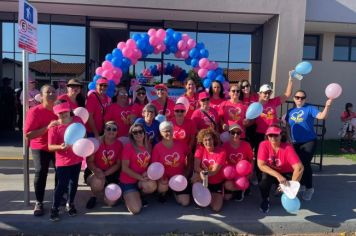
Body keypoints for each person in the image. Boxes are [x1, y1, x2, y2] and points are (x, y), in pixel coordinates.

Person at [286, 90, 332, 201]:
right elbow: (287, 126)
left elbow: (322, 116)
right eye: (297, 97)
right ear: (294, 98)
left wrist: (327, 106)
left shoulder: (309, 108)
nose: (299, 99)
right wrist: (289, 139)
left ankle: (309, 188)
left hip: (309, 141)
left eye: (302, 98)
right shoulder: (290, 111)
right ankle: (301, 184)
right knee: (296, 165)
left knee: (304, 164)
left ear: (305, 99)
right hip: (295, 142)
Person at [24, 84, 58, 216]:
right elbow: (28, 134)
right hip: (40, 146)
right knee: (40, 172)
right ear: (41, 96)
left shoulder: (59, 110)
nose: (51, 94)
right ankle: (39, 202)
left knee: (61, 172)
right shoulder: (34, 111)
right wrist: (47, 128)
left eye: (53, 91)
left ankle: (58, 197)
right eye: (47, 92)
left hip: (56, 145)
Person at [253, 72, 294, 180]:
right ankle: (260, 177)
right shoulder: (255, 106)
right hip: (260, 134)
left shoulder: (273, 101)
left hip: (273, 135)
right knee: (260, 157)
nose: (267, 95)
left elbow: (287, 94)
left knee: (275, 156)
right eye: (265, 93)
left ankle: (276, 177)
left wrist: (290, 79)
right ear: (260, 93)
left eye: (269, 92)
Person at [48, 100, 83, 221]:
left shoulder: (77, 120)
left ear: (69, 110)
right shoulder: (54, 127)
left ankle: (70, 203)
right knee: (62, 185)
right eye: (60, 112)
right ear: (56, 114)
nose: (63, 114)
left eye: (65, 111)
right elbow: (50, 146)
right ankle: (55, 208)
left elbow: (82, 134)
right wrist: (60, 147)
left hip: (77, 159)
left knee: (74, 183)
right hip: (62, 161)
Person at [257, 125, 304, 213]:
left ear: (281, 135)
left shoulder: (287, 148)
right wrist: (278, 176)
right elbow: (261, 165)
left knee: (292, 184)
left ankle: (281, 190)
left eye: (276, 135)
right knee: (264, 179)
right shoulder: (263, 144)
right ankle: (265, 199)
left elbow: (300, 168)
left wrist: (291, 188)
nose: (273, 137)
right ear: (267, 136)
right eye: (270, 135)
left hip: (286, 173)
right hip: (272, 172)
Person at [120, 123, 157, 214]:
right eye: (135, 132)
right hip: (128, 181)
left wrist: (147, 173)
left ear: (144, 133)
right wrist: (140, 177)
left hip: (142, 179)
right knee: (136, 210)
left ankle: (139, 195)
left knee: (152, 186)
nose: (138, 134)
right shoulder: (128, 147)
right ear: (131, 135)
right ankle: (126, 196)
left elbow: (149, 163)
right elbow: (124, 168)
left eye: (140, 131)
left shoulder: (148, 145)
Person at [85, 121, 123, 209]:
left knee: (111, 203)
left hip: (111, 172)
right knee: (97, 182)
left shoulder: (119, 144)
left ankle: (104, 190)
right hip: (95, 170)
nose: (111, 131)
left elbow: (118, 164)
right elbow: (90, 161)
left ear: (117, 132)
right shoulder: (96, 142)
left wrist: (105, 174)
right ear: (104, 130)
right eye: (108, 128)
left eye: (114, 129)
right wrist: (97, 171)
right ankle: (93, 195)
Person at [152, 121, 191, 205]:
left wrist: (187, 170)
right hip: (164, 177)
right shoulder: (157, 147)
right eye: (165, 131)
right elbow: (155, 166)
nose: (168, 133)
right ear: (161, 133)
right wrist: (161, 178)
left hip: (179, 176)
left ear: (173, 131)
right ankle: (164, 192)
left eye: (170, 130)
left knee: (185, 202)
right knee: (163, 187)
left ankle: (173, 190)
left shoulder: (181, 143)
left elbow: (189, 155)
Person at [192, 128, 226, 212]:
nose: (208, 142)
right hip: (203, 180)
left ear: (214, 139)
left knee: (216, 208)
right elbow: (196, 166)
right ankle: (201, 197)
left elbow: (214, 171)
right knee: (195, 176)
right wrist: (201, 173)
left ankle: (209, 197)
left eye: (210, 139)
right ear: (202, 142)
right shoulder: (200, 149)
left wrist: (205, 174)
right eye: (205, 140)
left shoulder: (221, 152)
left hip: (216, 182)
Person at [223, 123, 254, 202]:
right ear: (229, 133)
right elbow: (222, 161)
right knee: (227, 195)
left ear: (241, 134)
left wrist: (251, 172)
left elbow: (251, 159)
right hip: (231, 172)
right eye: (233, 132)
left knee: (242, 183)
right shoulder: (225, 146)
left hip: (242, 172)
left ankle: (242, 188)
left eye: (238, 133)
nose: (235, 135)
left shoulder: (246, 145)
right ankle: (239, 189)